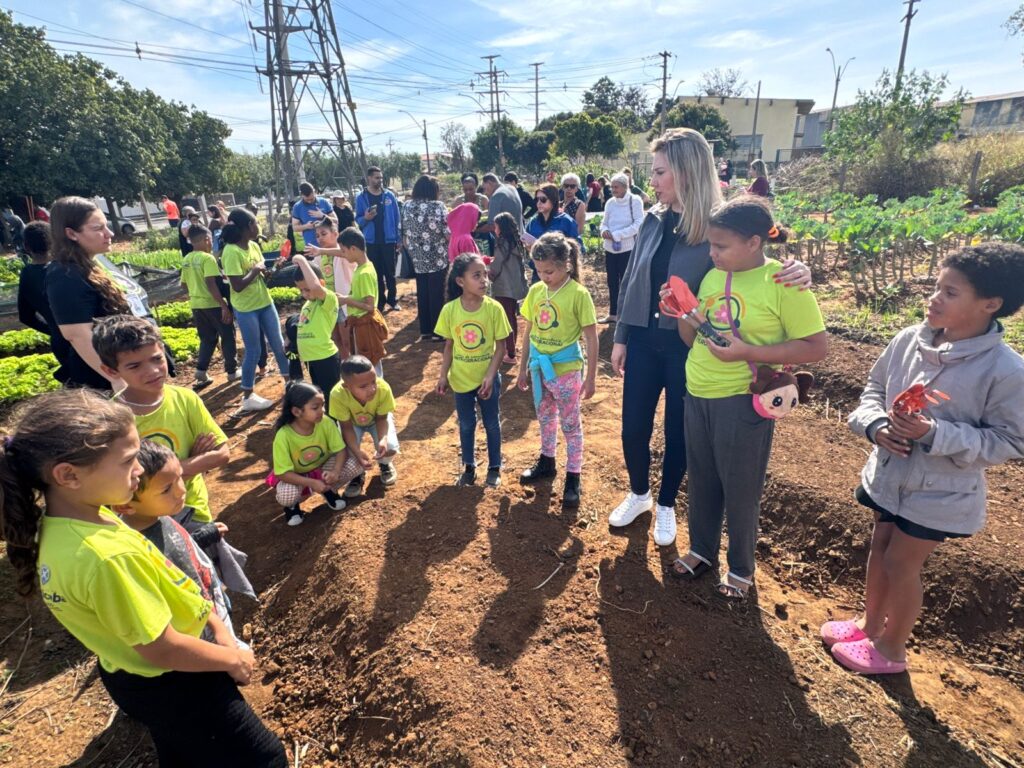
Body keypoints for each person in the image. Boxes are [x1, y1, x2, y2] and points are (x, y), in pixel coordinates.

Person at [0, 389, 287, 767]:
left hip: (132, 675)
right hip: (179, 678)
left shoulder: (73, 524)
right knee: (264, 757)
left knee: (182, 748)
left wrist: (212, 622)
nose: (139, 470)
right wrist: (231, 659)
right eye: (128, 460)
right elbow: (161, 647)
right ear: (68, 475)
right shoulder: (106, 558)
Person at [826, 243, 1024, 674]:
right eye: (936, 287)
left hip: (942, 491)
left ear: (991, 305)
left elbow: (1010, 440)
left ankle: (892, 649)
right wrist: (875, 425)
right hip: (889, 476)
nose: (933, 298)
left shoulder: (1006, 370)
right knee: (880, 546)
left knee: (901, 561)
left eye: (950, 293)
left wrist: (935, 434)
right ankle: (867, 624)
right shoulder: (907, 341)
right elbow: (873, 392)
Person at [607, 129, 810, 548]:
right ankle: (640, 494)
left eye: (660, 171)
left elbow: (760, 255)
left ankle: (666, 504)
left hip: (690, 347)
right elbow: (630, 279)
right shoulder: (651, 219)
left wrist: (799, 269)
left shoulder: (718, 226)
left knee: (678, 432)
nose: (654, 180)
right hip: (645, 340)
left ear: (685, 171)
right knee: (632, 428)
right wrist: (622, 335)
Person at [670, 197, 827, 598]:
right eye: (711, 245)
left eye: (720, 246)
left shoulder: (783, 282)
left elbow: (815, 346)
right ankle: (702, 549)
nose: (712, 253)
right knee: (702, 477)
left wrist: (748, 353)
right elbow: (692, 340)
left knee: (740, 486)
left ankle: (741, 567)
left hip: (742, 399)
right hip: (697, 390)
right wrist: (685, 315)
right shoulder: (710, 278)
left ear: (754, 242)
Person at [93, 314, 231, 530]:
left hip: (196, 509)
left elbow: (222, 453)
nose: (153, 371)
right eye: (135, 366)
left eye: (157, 358)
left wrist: (155, 478)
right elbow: (118, 484)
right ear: (111, 371)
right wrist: (192, 463)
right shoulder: (111, 420)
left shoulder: (185, 399)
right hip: (145, 523)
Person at [115, 440, 244, 647]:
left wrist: (202, 537)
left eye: (179, 479)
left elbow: (175, 549)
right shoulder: (136, 547)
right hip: (198, 633)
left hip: (210, 603)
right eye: (166, 489)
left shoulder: (159, 516)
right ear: (125, 505)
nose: (181, 491)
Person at [46, 196, 170, 390]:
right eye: (98, 229)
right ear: (71, 234)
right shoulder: (65, 275)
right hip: (109, 382)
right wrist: (115, 379)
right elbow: (77, 334)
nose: (109, 233)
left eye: (106, 226)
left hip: (135, 371)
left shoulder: (96, 261)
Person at [516, 232, 598, 508]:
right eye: (538, 271)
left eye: (549, 271)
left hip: (566, 372)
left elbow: (591, 336)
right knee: (545, 417)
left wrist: (591, 377)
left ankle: (573, 476)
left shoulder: (578, 294)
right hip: (539, 369)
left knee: (571, 424)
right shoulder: (536, 291)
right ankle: (547, 460)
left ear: (567, 264)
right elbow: (528, 330)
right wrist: (522, 367)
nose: (544, 277)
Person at [435, 253, 511, 488]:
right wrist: (443, 376)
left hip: (487, 380)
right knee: (466, 424)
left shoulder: (494, 308)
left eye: (485, 274)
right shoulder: (449, 310)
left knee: (491, 423)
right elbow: (449, 346)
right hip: (460, 379)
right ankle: (469, 466)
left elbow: (501, 346)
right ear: (460, 281)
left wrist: (490, 375)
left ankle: (494, 467)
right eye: (476, 275)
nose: (484, 280)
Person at [221, 209, 291, 411]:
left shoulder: (253, 246)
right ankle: (248, 395)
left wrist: (275, 268)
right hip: (246, 308)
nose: (257, 226)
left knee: (278, 344)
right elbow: (237, 286)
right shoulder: (231, 251)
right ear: (247, 227)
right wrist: (255, 270)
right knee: (254, 349)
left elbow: (264, 278)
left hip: (264, 303)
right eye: (254, 223)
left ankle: (289, 383)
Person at [270, 382, 361, 526]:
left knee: (356, 461)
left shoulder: (325, 422)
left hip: (322, 468)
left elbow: (340, 449)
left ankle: (328, 490)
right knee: (287, 495)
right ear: (297, 412)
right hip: (297, 476)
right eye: (315, 407)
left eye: (323, 405)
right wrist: (312, 483)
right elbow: (282, 473)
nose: (322, 410)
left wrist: (335, 472)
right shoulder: (283, 436)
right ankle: (292, 506)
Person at [329, 355, 400, 496]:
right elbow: (346, 428)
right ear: (346, 387)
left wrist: (383, 440)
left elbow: (381, 419)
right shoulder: (337, 394)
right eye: (363, 386)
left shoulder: (383, 388)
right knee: (347, 452)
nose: (372, 388)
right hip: (352, 424)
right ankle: (356, 475)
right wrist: (357, 453)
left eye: (373, 381)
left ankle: (385, 464)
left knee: (390, 447)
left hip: (376, 421)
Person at [181, 224, 238, 388]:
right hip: (213, 304)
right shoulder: (208, 258)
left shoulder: (187, 259)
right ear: (207, 239)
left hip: (196, 305)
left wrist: (195, 292)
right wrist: (224, 306)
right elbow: (211, 283)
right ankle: (232, 371)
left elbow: (184, 285)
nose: (211, 243)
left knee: (207, 339)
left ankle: (201, 371)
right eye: (211, 240)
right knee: (227, 335)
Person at [17, 221, 70, 381]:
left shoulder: (27, 275)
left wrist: (54, 330)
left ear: (26, 246)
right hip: (88, 338)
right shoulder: (66, 269)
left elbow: (26, 317)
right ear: (54, 242)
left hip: (60, 343)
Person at [401, 175, 450, 342]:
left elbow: (405, 233)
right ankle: (438, 331)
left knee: (422, 292)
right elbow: (447, 231)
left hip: (418, 257)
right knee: (437, 293)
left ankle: (425, 330)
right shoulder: (438, 206)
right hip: (437, 256)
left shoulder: (407, 206)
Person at [291, 255, 342, 396]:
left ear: (321, 284)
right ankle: (326, 417)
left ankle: (334, 418)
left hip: (325, 358)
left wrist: (302, 260)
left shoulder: (329, 299)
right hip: (311, 358)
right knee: (320, 395)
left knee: (331, 396)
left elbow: (315, 286)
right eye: (301, 290)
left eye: (307, 289)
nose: (304, 294)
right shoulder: (308, 304)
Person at [599, 173, 644, 324]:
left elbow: (638, 224)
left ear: (625, 187)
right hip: (610, 248)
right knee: (612, 280)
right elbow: (604, 222)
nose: (613, 190)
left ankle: (626, 313)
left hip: (627, 248)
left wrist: (618, 234)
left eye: (616, 187)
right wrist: (604, 231)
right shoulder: (610, 203)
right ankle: (613, 313)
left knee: (626, 281)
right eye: (611, 187)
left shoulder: (635, 201)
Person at [355, 167, 402, 312]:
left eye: (381, 178)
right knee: (376, 272)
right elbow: (358, 220)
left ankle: (392, 300)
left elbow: (397, 217)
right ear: (369, 178)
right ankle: (380, 301)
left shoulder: (389, 196)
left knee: (390, 272)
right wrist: (366, 218)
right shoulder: (361, 197)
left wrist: (398, 238)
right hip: (371, 242)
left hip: (388, 241)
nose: (379, 180)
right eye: (376, 178)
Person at [306, 218, 354, 358]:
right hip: (329, 304)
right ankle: (344, 366)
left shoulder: (343, 252)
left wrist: (320, 251)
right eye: (317, 236)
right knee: (336, 339)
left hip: (344, 303)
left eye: (323, 234)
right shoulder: (319, 257)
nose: (320, 238)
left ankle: (352, 366)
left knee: (347, 341)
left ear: (335, 234)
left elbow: (344, 254)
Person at [489, 212, 529, 365]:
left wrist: (488, 273)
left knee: (505, 319)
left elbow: (497, 265)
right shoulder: (516, 242)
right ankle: (511, 349)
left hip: (503, 286)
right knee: (512, 316)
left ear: (501, 227)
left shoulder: (501, 243)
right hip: (515, 286)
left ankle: (510, 353)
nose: (495, 229)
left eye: (496, 226)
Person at [525, 184, 581, 283]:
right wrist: (529, 247)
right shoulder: (533, 222)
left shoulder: (566, 221)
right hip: (538, 273)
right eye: (536, 200)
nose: (539, 203)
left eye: (543, 199)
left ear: (553, 200)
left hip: (560, 274)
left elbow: (578, 246)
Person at [291, 181, 337, 250]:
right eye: (307, 199)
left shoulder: (324, 202)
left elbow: (336, 220)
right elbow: (294, 227)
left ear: (314, 192)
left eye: (311, 199)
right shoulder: (297, 207)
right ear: (302, 195)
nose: (310, 201)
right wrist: (306, 226)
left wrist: (323, 216)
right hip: (312, 247)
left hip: (329, 246)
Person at [559, 174, 587, 241]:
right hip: (558, 242)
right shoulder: (559, 204)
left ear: (577, 189)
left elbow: (578, 230)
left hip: (572, 242)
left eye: (572, 186)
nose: (569, 188)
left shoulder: (579, 204)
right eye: (566, 186)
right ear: (563, 187)